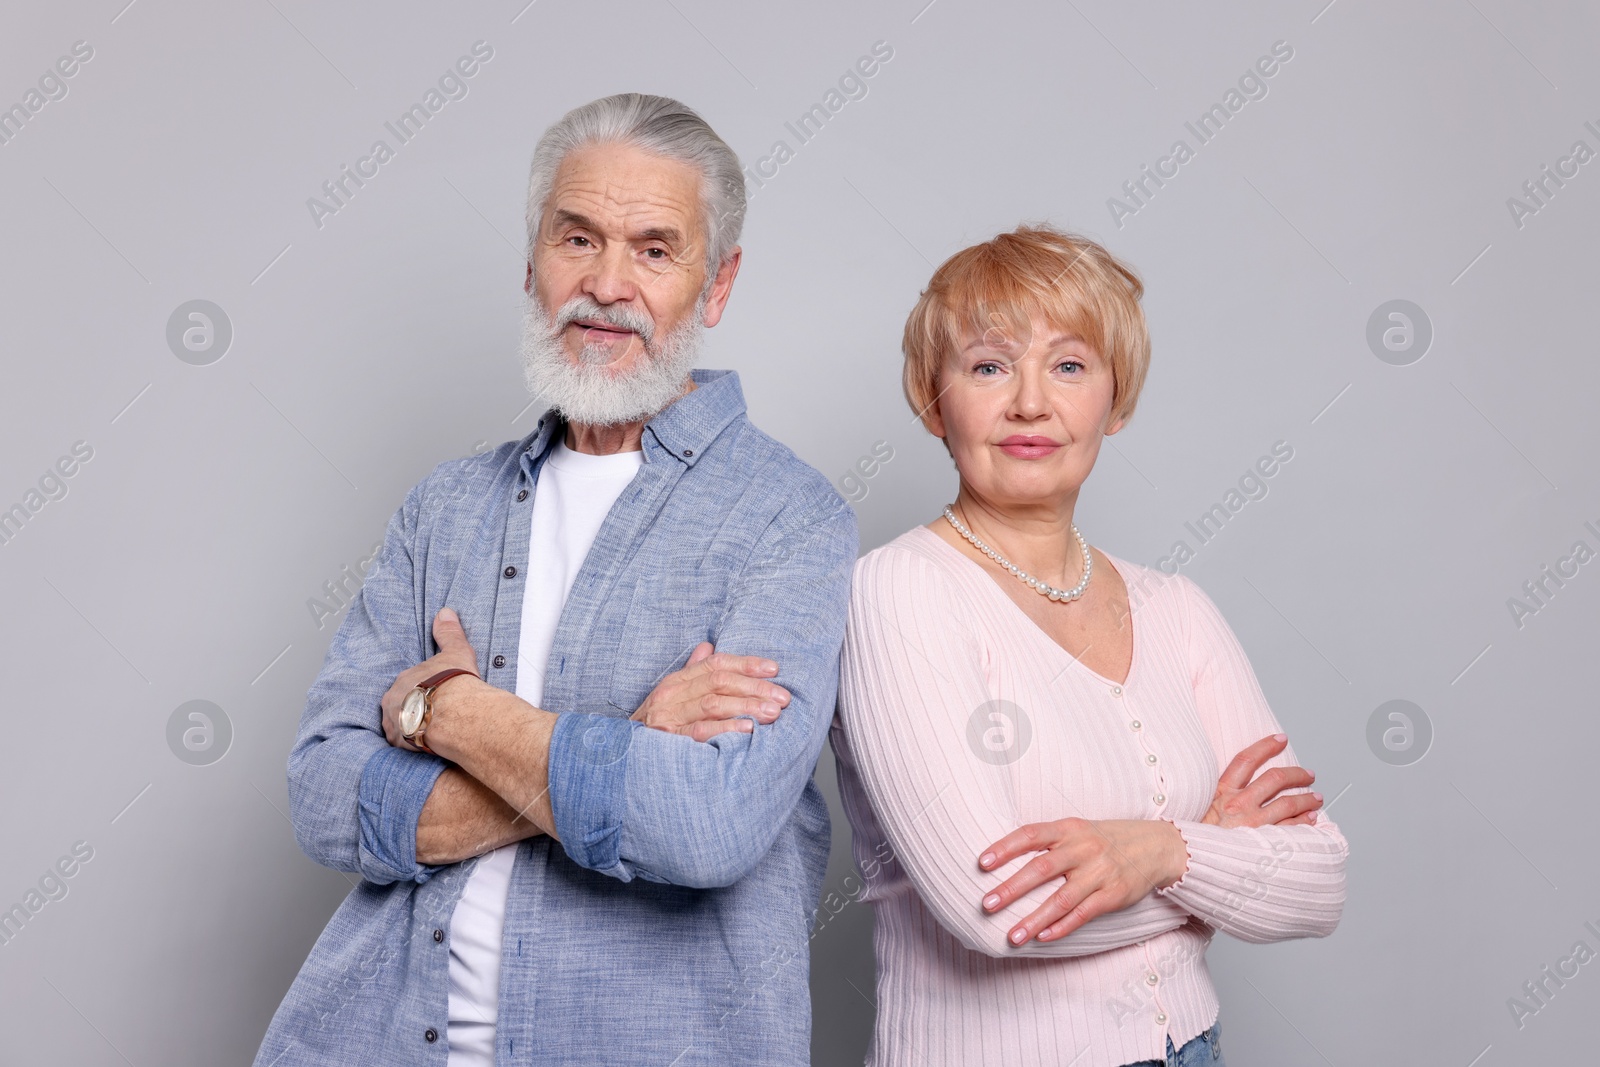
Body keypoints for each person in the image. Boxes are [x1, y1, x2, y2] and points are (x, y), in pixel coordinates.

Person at [253, 94, 857, 1067]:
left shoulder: (794, 518)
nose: (606, 283)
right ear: (532, 260)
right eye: (577, 238)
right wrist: (623, 745)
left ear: (718, 283)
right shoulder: (440, 508)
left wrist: (443, 713)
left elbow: (707, 825)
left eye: (655, 250)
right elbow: (323, 795)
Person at [830, 225, 1348, 1067]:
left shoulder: (1175, 606)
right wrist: (1218, 857)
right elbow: (995, 911)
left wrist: (1162, 851)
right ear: (934, 398)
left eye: (1069, 365)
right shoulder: (895, 593)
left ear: (1118, 396)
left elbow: (1319, 878)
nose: (1031, 402)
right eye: (989, 365)